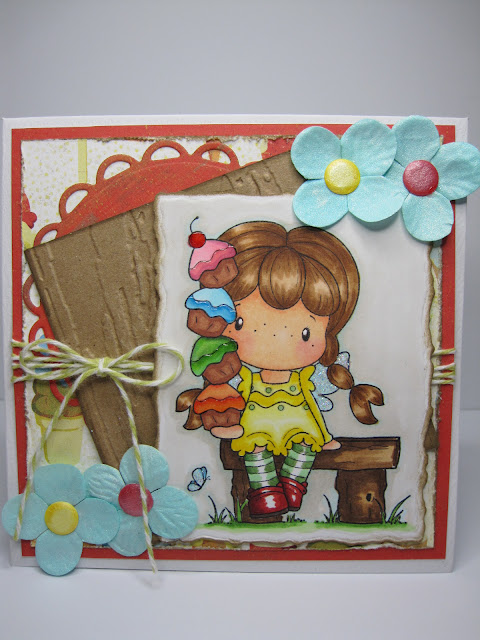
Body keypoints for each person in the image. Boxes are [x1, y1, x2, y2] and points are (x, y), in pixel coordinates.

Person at [217, 221, 384, 517]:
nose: (275, 340)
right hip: (256, 426)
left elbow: (310, 404)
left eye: (305, 333)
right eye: (241, 323)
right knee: (255, 450)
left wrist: (324, 436)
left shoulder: (306, 377)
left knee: (306, 445)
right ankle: (265, 491)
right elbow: (229, 400)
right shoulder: (240, 377)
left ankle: (293, 484)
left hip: (298, 426)